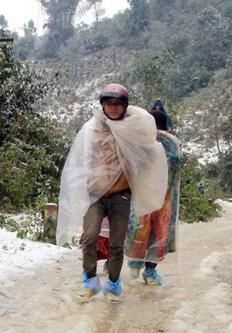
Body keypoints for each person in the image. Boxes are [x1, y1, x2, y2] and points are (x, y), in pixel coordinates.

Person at [56, 83, 168, 302]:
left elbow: (147, 155)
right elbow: (80, 158)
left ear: (124, 106)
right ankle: (90, 282)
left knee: (117, 245)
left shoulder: (132, 129)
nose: (113, 107)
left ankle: (113, 285)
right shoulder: (92, 128)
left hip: (120, 195)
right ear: (103, 105)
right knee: (89, 239)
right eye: (109, 103)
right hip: (95, 195)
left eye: (117, 104)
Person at [125, 105, 181, 285]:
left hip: (142, 194)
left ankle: (135, 264)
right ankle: (150, 270)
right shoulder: (172, 144)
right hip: (164, 197)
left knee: (139, 226)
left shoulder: (142, 140)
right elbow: (175, 168)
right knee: (159, 232)